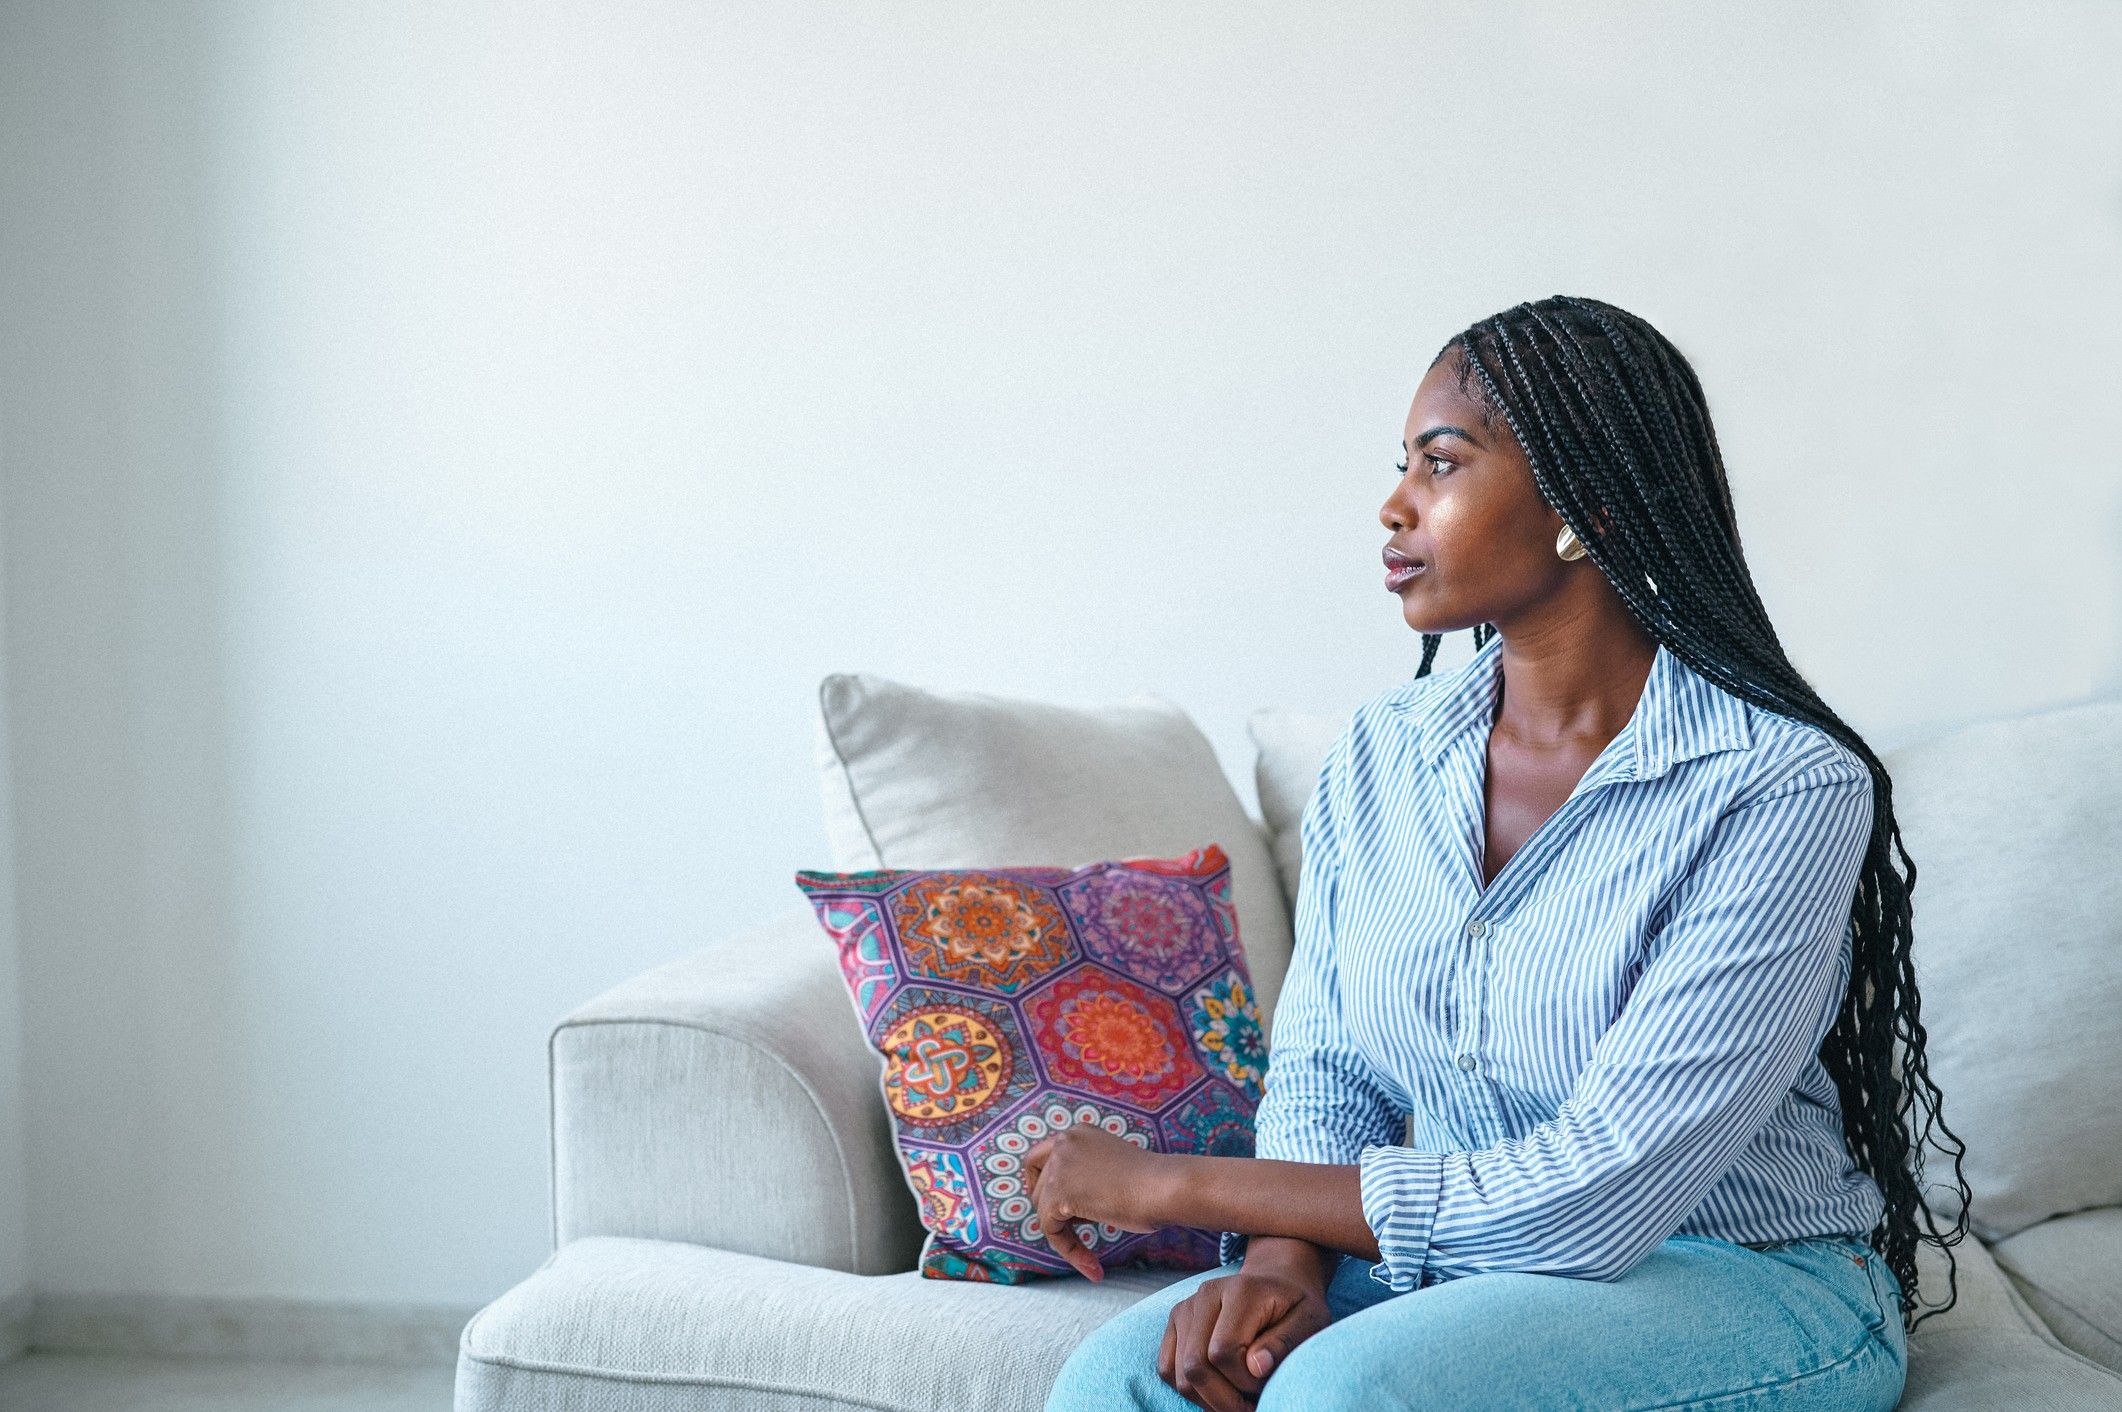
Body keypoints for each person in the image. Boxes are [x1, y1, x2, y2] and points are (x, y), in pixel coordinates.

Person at [1030, 296, 1972, 1411]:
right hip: (1463, 1270)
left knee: (1347, 1393)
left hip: (1740, 1277)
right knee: (1123, 1381)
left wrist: (1175, 1183)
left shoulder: (1777, 786)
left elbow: (1594, 1193)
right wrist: (1282, 1263)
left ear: (1588, 505)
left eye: (1441, 464)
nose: (1393, 505)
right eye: (1404, 465)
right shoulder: (1382, 754)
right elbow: (1331, 1064)